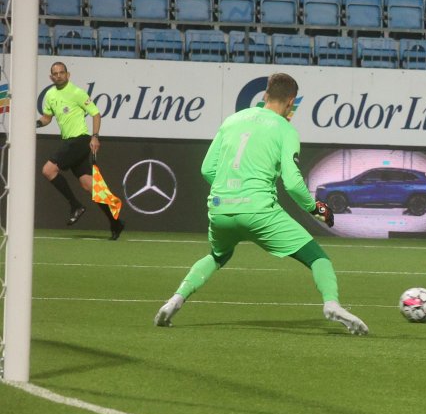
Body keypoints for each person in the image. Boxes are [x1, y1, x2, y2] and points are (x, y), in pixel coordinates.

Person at [154, 73, 368, 335]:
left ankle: (175, 300)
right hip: (259, 211)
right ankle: (331, 304)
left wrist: (231, 189)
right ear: (291, 103)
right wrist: (316, 209)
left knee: (218, 255)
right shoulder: (286, 129)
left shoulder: (231, 120)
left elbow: (207, 169)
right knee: (317, 257)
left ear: (265, 95)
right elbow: (292, 183)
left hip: (220, 208)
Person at [35, 61, 125, 240]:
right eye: (55, 73)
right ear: (51, 77)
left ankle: (75, 205)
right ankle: (115, 222)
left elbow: (96, 113)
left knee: (48, 170)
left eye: (62, 72)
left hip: (80, 140)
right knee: (89, 186)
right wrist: (36, 123)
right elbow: (46, 118)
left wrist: (95, 136)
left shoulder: (77, 92)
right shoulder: (50, 95)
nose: (59, 75)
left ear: (68, 75)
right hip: (70, 142)